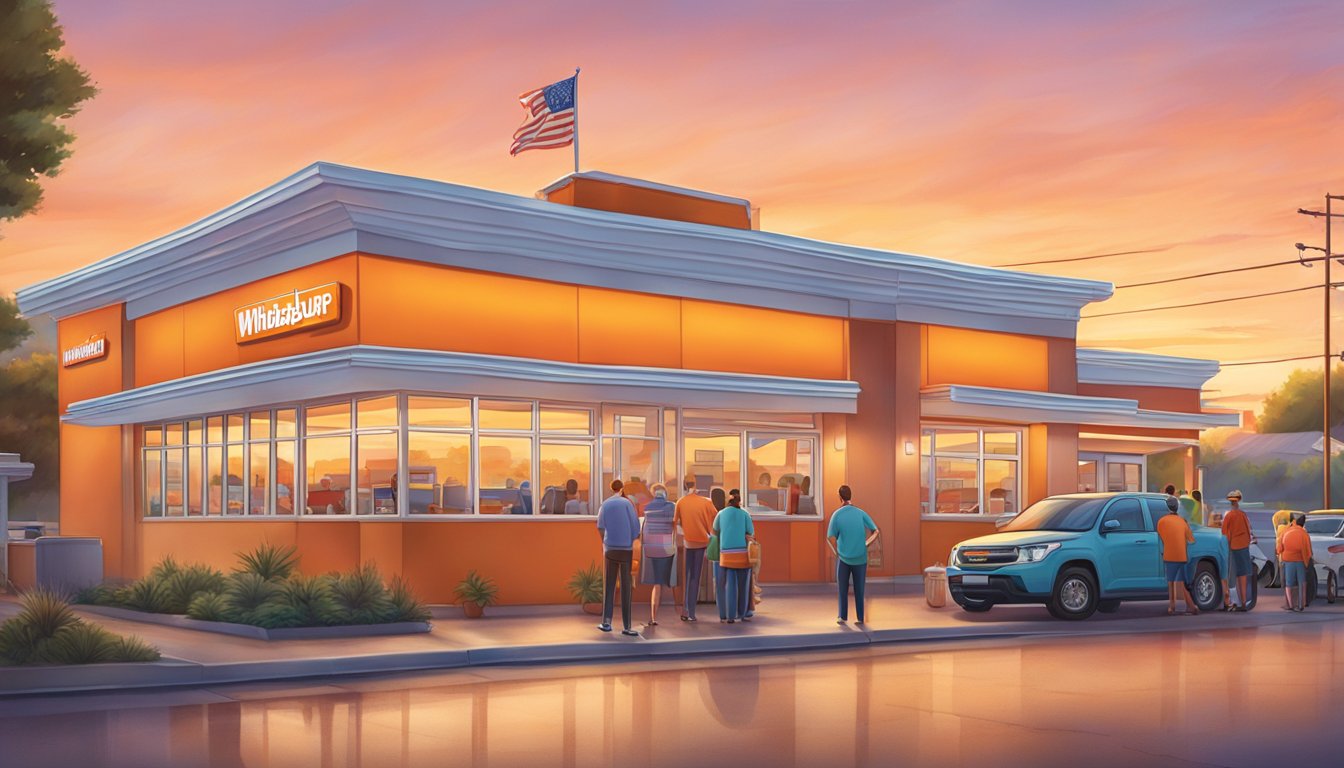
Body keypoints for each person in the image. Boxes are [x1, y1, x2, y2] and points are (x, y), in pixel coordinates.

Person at [826, 485, 878, 625]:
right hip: (861, 558)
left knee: (842, 588)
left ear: (840, 497)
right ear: (850, 496)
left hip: (843, 558)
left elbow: (830, 537)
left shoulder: (837, 515)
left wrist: (837, 551)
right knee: (859, 589)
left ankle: (842, 616)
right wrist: (866, 543)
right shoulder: (861, 513)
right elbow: (876, 531)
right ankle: (860, 618)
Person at [596, 479, 640, 636]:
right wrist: (631, 538)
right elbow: (636, 527)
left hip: (610, 549)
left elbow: (600, 526)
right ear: (621, 489)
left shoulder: (605, 504)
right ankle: (627, 626)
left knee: (609, 585)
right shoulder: (628, 504)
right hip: (626, 549)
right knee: (626, 586)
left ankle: (606, 622)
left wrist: (605, 543)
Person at [674, 476, 716, 621]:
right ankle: (691, 612)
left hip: (687, 543)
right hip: (703, 543)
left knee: (686, 577)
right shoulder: (706, 502)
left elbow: (675, 522)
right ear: (696, 486)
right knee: (695, 578)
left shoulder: (680, 502)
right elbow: (716, 519)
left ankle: (685, 610)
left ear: (685, 486)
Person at [712, 489, 754, 623]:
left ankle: (727, 615)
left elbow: (715, 530)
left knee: (728, 584)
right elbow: (751, 532)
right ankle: (741, 614)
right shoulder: (745, 514)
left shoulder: (721, 513)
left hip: (725, 553)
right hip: (741, 553)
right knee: (743, 585)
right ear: (739, 502)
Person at [640, 483, 678, 626]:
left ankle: (653, 616)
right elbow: (675, 525)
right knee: (673, 580)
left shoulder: (648, 507)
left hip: (650, 548)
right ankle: (682, 612)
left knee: (657, 583)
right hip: (666, 548)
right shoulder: (671, 506)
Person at [1157, 496, 1199, 615]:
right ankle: (1190, 605)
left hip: (1169, 555)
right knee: (1182, 581)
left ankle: (1172, 606)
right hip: (1182, 556)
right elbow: (1191, 539)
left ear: (1167, 507)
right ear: (1177, 507)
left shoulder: (1162, 521)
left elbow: (1161, 537)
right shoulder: (1183, 521)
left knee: (1171, 582)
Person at [1219, 490, 1252, 611]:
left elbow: (1224, 534)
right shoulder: (1243, 515)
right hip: (1244, 547)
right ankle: (1243, 602)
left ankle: (1235, 602)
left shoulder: (1229, 516)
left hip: (1233, 547)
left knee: (1232, 576)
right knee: (1242, 575)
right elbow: (1248, 531)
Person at [1278, 513, 1314, 612]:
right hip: (1300, 560)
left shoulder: (1286, 531)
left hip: (1288, 560)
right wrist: (1308, 560)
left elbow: (1279, 547)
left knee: (1289, 583)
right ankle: (1301, 604)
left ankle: (1290, 605)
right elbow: (1308, 549)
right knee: (1302, 581)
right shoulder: (1304, 533)